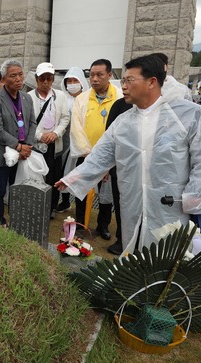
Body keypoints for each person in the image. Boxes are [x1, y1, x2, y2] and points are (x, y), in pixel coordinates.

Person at [55, 55, 201, 254]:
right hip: (131, 202)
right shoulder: (124, 122)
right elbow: (101, 156)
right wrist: (74, 178)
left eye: (129, 80)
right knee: (133, 250)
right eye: (123, 80)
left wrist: (194, 196)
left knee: (166, 253)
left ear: (152, 82)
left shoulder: (188, 115)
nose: (123, 86)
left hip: (171, 204)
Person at [69, 59, 122, 239]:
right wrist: (91, 156)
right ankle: (81, 225)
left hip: (111, 158)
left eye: (99, 75)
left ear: (109, 75)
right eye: (92, 75)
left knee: (106, 195)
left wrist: (107, 159)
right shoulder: (82, 99)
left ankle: (103, 225)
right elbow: (76, 129)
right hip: (87, 155)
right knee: (81, 191)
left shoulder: (120, 98)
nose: (95, 79)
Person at [0, 59, 37, 226]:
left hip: (23, 153)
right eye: (13, 75)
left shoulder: (26, 98)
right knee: (0, 190)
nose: (18, 79)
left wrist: (27, 145)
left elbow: (32, 122)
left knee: (19, 189)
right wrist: (18, 146)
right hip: (3, 154)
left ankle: (18, 219)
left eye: (20, 74)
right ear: (4, 78)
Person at [28, 62, 70, 217]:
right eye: (42, 79)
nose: (45, 82)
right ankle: (37, 205)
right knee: (37, 175)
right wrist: (40, 135)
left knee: (54, 176)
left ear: (53, 79)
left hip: (55, 143)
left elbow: (65, 118)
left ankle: (52, 206)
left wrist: (56, 133)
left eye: (49, 78)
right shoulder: (29, 97)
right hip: (37, 144)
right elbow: (28, 121)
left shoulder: (60, 96)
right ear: (36, 79)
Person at [56, 66, 89, 213]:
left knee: (80, 176)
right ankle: (64, 201)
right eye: (69, 80)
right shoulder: (63, 99)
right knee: (64, 173)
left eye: (75, 80)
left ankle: (82, 208)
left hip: (84, 145)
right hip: (65, 144)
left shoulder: (88, 99)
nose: (72, 83)